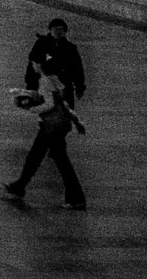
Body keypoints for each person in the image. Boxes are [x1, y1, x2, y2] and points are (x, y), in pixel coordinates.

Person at [5, 73, 87, 210]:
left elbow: (50, 103)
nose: (34, 65)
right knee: (36, 157)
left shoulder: (45, 80)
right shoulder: (53, 78)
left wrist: (30, 109)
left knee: (56, 160)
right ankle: (19, 186)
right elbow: (60, 101)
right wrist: (76, 120)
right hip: (57, 125)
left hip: (50, 126)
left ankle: (76, 198)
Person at [23, 18, 87, 103]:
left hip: (64, 87)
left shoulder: (70, 48)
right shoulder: (42, 45)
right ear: (50, 31)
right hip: (46, 86)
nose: (59, 32)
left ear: (65, 31)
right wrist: (31, 86)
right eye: (56, 30)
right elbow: (33, 66)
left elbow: (77, 69)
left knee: (66, 112)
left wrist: (79, 87)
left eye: (61, 30)